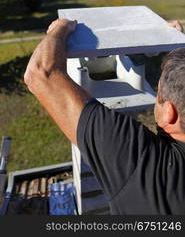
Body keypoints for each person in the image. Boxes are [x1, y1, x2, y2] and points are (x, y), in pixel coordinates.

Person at [24, 18, 185, 215]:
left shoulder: (141, 162)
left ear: (169, 113)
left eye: (158, 94)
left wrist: (59, 29)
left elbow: (41, 74)